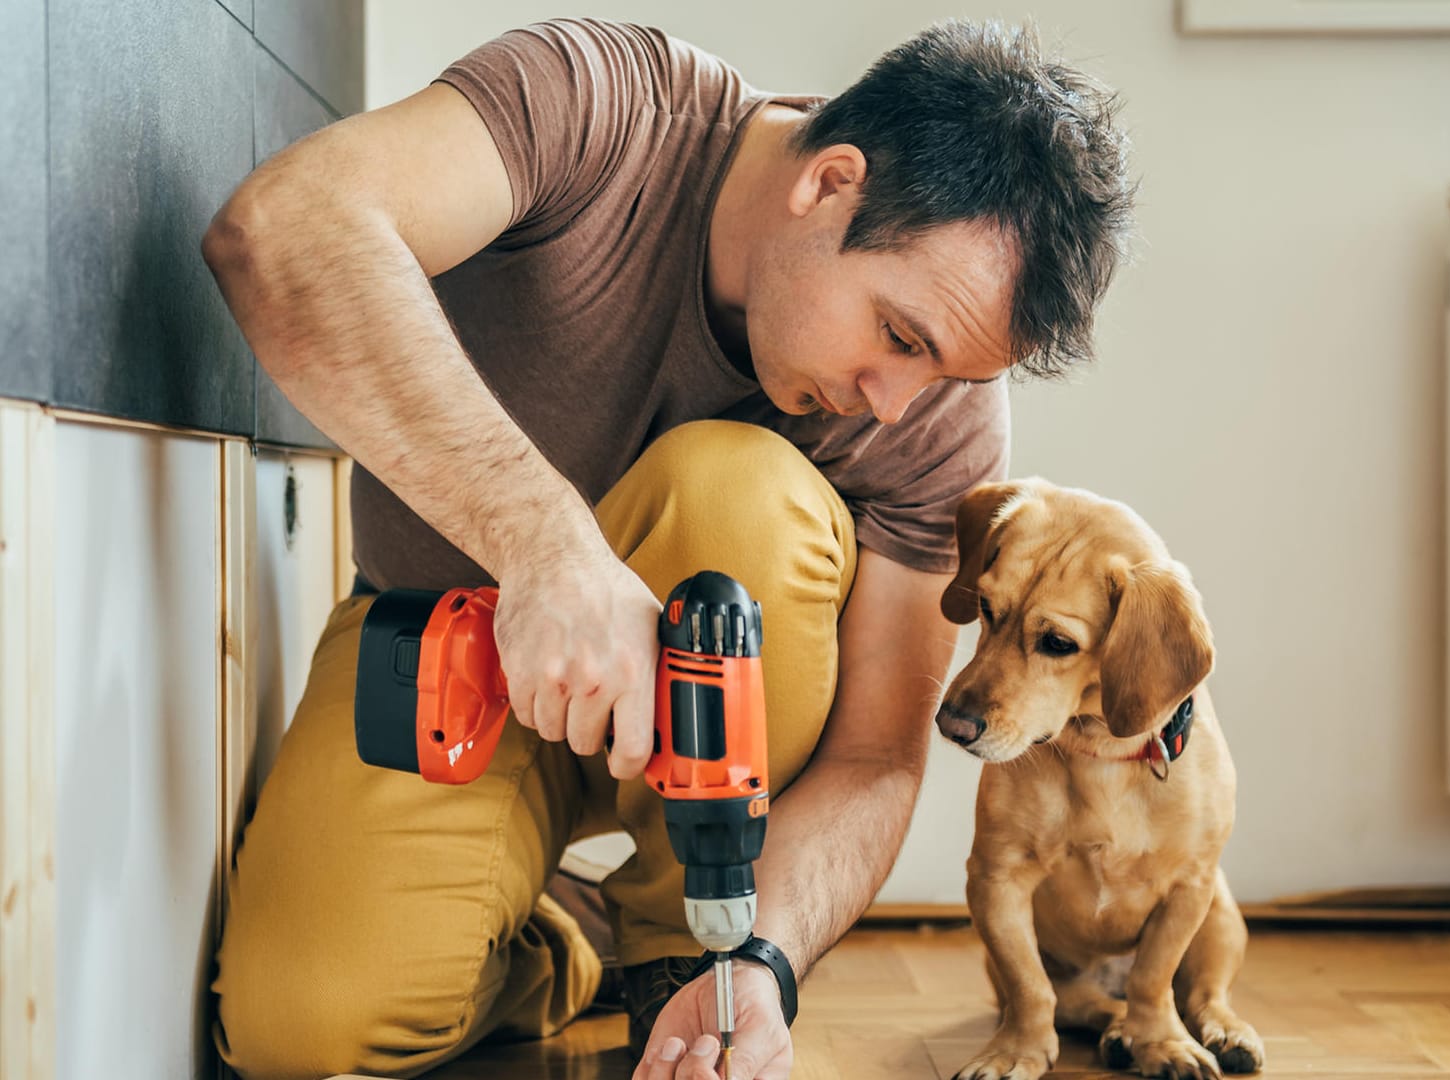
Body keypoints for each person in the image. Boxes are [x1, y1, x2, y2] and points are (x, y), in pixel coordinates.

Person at [201, 16, 1131, 1080]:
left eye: (945, 376)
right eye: (900, 337)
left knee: (736, 491)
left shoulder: (934, 413)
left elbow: (877, 757)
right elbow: (283, 229)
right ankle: (563, 943)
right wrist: (549, 549)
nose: (894, 404)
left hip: (716, 774)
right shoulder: (596, 106)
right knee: (300, 1027)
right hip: (452, 648)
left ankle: (685, 951)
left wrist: (768, 963)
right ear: (829, 182)